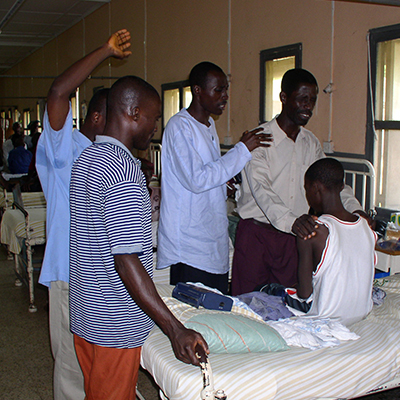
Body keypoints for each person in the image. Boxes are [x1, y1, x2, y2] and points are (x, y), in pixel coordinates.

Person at [69, 75, 208, 400]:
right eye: (153, 118)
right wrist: (175, 329)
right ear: (133, 113)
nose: (155, 128)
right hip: (113, 324)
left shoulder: (86, 160)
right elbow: (126, 260)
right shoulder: (123, 172)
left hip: (85, 314)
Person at [35, 29, 132, 400]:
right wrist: (104, 52)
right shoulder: (66, 147)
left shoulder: (109, 158)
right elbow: (59, 92)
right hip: (68, 276)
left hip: (98, 280)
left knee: (97, 371)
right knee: (73, 373)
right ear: (96, 117)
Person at [231, 68, 366, 296]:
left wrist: (355, 211)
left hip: (293, 239)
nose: (308, 107)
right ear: (284, 98)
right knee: (248, 307)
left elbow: (330, 182)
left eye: (312, 100)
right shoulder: (259, 139)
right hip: (257, 237)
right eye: (302, 99)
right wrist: (291, 221)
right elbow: (262, 190)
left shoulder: (310, 143)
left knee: (288, 309)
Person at [156, 61, 272, 294]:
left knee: (216, 314)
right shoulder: (180, 127)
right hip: (190, 246)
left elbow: (210, 170)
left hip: (210, 238)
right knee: (194, 318)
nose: (225, 96)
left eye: (226, 89)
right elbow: (196, 179)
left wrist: (223, 185)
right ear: (197, 91)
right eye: (218, 90)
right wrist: (241, 150)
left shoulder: (208, 125)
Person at [293, 158, 376, 326]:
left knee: (268, 293)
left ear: (315, 188)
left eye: (306, 188)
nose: (307, 194)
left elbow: (304, 293)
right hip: (361, 314)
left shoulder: (312, 231)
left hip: (326, 319)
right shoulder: (366, 227)